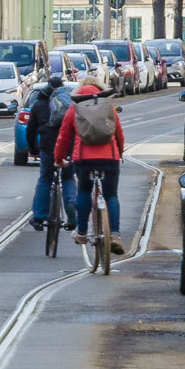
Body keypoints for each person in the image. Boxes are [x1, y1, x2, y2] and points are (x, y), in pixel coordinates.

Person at [53, 81, 127, 255]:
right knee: (111, 195)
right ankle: (115, 235)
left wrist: (59, 159)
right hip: (109, 157)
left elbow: (63, 137)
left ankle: (82, 232)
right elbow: (119, 133)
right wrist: (119, 153)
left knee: (84, 191)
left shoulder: (75, 107)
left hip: (84, 159)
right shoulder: (108, 106)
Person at [28, 67, 77, 232]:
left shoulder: (39, 105)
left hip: (48, 148)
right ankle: (71, 208)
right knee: (69, 178)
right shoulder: (70, 105)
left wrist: (33, 149)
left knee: (45, 180)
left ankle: (39, 218)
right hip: (68, 148)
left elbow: (31, 131)